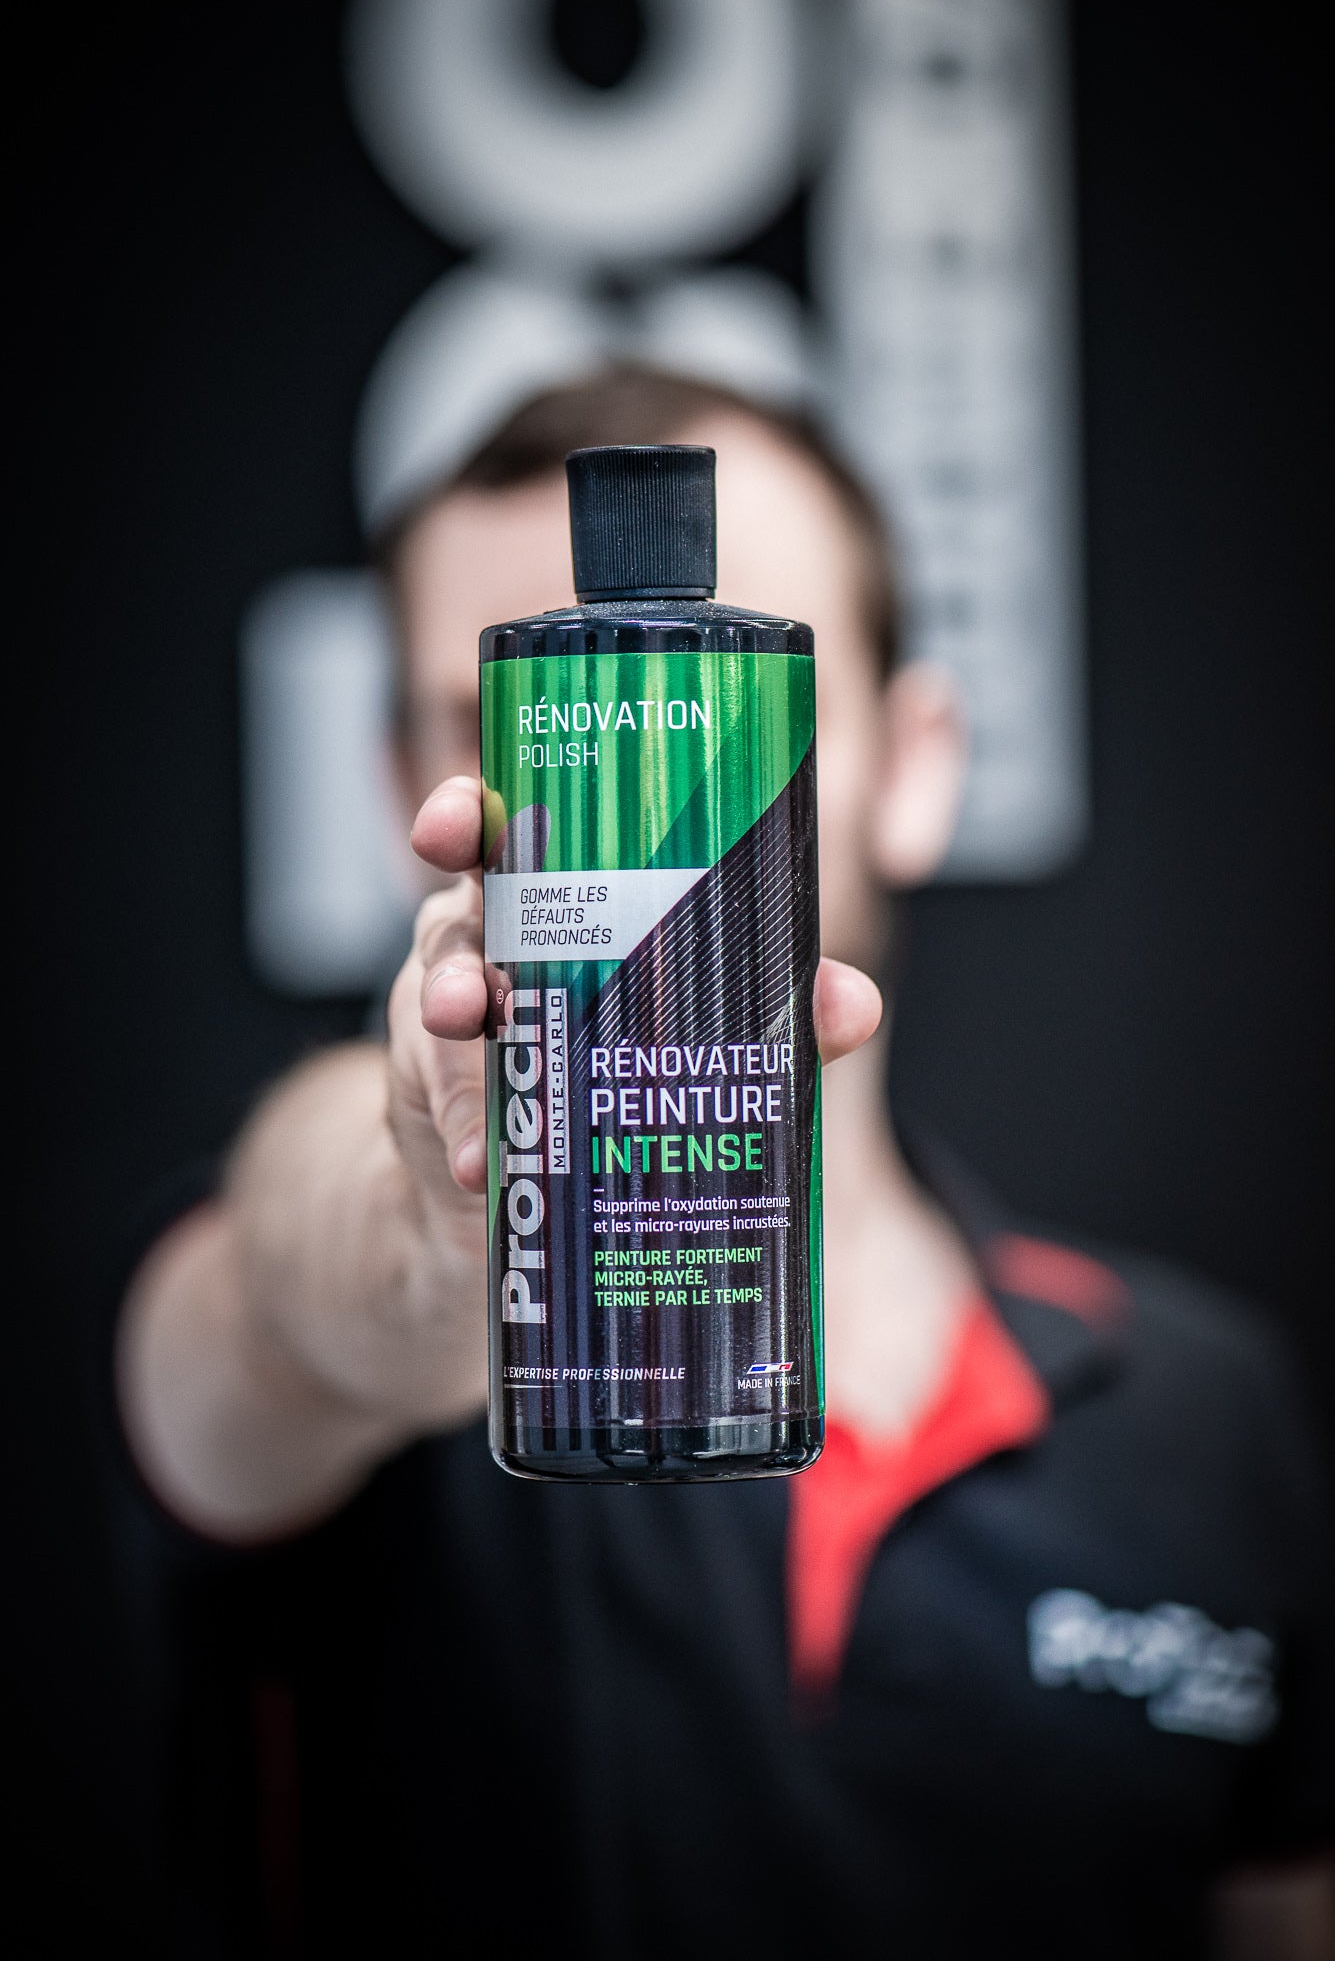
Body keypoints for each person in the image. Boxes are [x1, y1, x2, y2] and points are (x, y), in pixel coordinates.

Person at [117, 368, 1333, 1957]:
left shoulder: (1205, 1417)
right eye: (491, 734)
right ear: (407, 787)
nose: (636, 811)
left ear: (914, 764)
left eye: (713, 723)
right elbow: (267, 1314)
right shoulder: (356, 1334)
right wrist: (440, 1226)